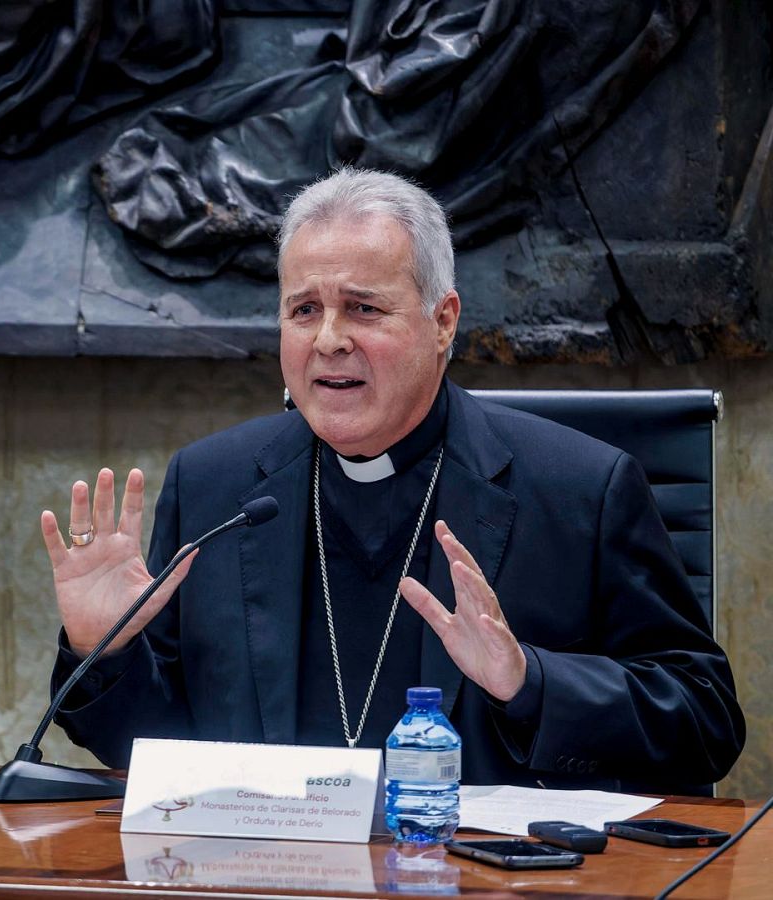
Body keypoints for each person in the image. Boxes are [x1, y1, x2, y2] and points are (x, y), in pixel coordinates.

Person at [44, 168, 744, 794]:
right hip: (272, 879)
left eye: (364, 308)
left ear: (443, 322)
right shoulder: (217, 487)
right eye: (304, 310)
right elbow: (157, 747)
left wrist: (529, 682)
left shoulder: (580, 489)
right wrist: (103, 650)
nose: (328, 340)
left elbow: (705, 719)